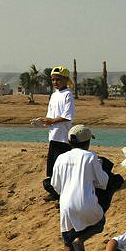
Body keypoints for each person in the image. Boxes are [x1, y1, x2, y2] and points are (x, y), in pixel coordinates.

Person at [50, 125, 109, 251]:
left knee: (67, 245)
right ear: (87, 142)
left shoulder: (61, 158)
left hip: (66, 203)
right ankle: (81, 239)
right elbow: (103, 182)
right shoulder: (91, 157)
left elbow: (55, 185)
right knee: (100, 223)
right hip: (86, 201)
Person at [38, 65, 75, 200]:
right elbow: (50, 116)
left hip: (63, 138)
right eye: (53, 80)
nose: (55, 82)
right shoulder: (54, 95)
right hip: (53, 136)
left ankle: (63, 195)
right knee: (52, 168)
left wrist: (52, 121)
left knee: (62, 168)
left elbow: (67, 116)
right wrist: (45, 121)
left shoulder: (68, 95)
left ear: (65, 80)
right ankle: (54, 192)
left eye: (58, 80)